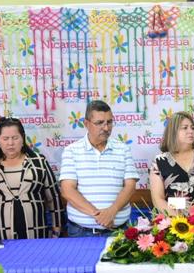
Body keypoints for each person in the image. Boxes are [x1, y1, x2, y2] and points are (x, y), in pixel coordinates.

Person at [0, 117, 63, 240]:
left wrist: (57, 229)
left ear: (23, 138)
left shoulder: (39, 162)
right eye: (5, 139)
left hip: (37, 237)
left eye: (15, 138)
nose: (10, 143)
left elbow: (54, 198)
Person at [59, 100, 138, 237]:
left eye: (109, 122)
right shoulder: (71, 151)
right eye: (99, 123)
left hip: (118, 231)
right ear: (86, 123)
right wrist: (98, 215)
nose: (106, 128)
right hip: (81, 232)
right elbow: (67, 190)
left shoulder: (123, 149)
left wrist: (112, 211)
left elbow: (130, 186)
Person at [149, 111, 194, 214]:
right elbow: (158, 199)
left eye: (192, 128)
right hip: (173, 223)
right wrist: (180, 222)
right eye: (185, 128)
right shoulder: (159, 161)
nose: (190, 131)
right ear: (173, 132)